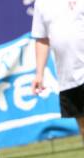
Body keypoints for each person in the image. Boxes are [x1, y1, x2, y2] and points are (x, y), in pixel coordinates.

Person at [31, 0, 84, 143]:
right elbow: (42, 39)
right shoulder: (41, 4)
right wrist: (39, 74)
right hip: (68, 77)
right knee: (83, 127)